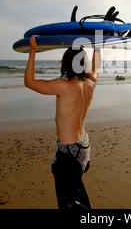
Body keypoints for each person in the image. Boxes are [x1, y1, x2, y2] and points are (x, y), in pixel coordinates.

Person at [24, 35, 101, 210]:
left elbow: (29, 82)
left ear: (66, 63)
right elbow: (97, 67)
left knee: (68, 203)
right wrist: (97, 47)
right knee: (76, 196)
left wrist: (33, 52)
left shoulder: (64, 86)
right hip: (83, 149)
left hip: (69, 155)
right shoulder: (91, 82)